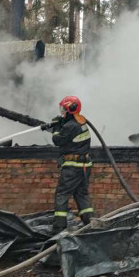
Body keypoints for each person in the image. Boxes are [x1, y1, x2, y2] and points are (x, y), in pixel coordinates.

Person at [42, 95, 94, 232]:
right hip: (84, 166)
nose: (62, 112)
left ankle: (59, 228)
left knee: (62, 194)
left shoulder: (70, 126)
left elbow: (57, 140)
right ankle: (90, 223)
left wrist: (56, 128)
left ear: (70, 109)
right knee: (81, 194)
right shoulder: (81, 122)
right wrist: (60, 123)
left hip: (73, 167)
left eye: (64, 109)